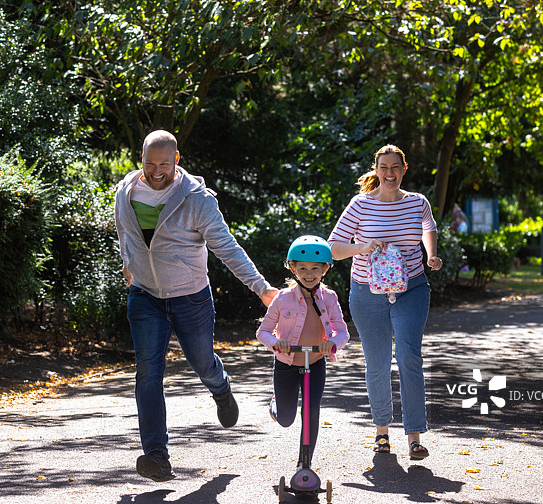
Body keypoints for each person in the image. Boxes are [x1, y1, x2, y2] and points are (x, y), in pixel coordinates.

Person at [114, 130, 278, 482]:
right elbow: (123, 231)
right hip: (145, 297)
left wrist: (262, 289)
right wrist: (128, 261)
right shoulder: (125, 191)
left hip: (190, 296)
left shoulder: (197, 200)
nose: (156, 171)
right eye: (149, 163)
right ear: (140, 158)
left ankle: (220, 389)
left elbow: (227, 247)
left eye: (164, 163)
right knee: (148, 371)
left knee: (203, 362)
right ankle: (156, 455)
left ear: (177, 159)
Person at [328, 144, 442, 460]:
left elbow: (428, 228)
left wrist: (431, 255)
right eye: (384, 167)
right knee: (377, 363)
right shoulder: (360, 205)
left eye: (395, 167)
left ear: (404, 169)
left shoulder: (417, 202)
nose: (389, 173)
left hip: (412, 288)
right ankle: (381, 432)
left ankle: (415, 437)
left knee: (408, 356)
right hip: (367, 291)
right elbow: (333, 247)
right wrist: (362, 247)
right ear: (376, 171)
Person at [256, 236, 349, 464]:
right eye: (303, 268)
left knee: (311, 412)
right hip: (286, 364)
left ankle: (304, 464)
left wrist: (332, 343)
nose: (309, 274)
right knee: (286, 419)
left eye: (315, 268)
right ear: (293, 268)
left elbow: (342, 332)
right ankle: (277, 405)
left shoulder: (329, 298)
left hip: (315, 362)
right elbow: (263, 332)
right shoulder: (283, 299)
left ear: (325, 269)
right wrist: (277, 343)